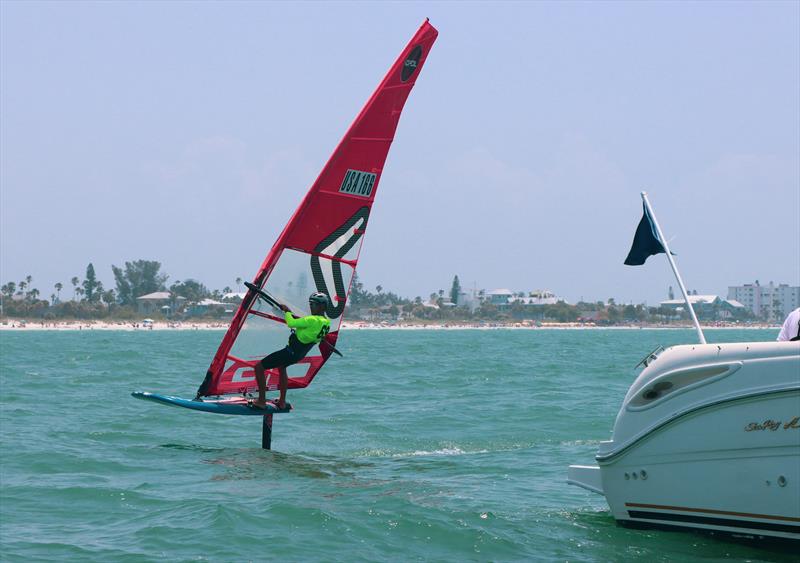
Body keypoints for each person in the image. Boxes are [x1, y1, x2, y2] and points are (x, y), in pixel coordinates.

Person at [250, 292, 331, 409]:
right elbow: (303, 327)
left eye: (314, 304)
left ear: (323, 306)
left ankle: (261, 401)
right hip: (298, 355)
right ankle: (282, 402)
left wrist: (287, 311)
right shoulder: (326, 323)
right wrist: (290, 315)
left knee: (258, 367)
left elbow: (291, 323)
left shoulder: (312, 320)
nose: (311, 306)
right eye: (310, 304)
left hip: (290, 352)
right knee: (282, 367)